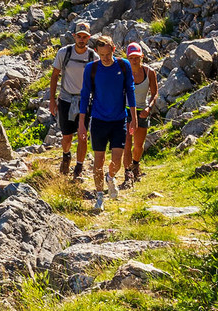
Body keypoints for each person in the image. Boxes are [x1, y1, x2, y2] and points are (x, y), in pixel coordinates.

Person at [76, 32, 136, 203]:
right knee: (98, 160)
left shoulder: (123, 65)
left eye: (108, 54)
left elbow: (130, 90)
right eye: (102, 55)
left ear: (113, 49)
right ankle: (99, 196)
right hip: (98, 120)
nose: (105, 58)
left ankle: (110, 177)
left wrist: (134, 118)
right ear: (96, 52)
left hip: (119, 120)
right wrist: (82, 123)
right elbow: (85, 95)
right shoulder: (92, 68)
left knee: (117, 160)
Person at [48, 20, 95, 179]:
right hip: (66, 99)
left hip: (84, 101)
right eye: (79, 36)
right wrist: (52, 100)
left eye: (84, 37)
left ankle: (79, 168)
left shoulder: (93, 56)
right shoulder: (64, 52)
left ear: (89, 38)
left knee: (83, 136)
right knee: (67, 136)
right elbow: (55, 75)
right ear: (74, 36)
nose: (81, 39)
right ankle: (66, 155)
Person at [124, 39, 160, 184]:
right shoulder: (123, 72)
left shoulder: (149, 72)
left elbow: (155, 93)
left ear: (142, 57)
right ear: (127, 58)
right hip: (126, 110)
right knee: (127, 143)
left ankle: (135, 165)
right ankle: (127, 174)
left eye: (137, 57)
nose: (134, 60)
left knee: (138, 145)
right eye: (131, 58)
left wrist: (149, 108)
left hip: (142, 110)